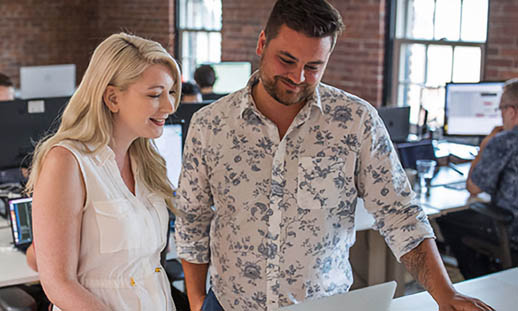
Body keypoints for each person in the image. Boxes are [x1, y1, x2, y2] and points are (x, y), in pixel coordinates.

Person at [174, 0, 493, 310]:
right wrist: (196, 301)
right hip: (230, 304)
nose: (297, 77)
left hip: (325, 305)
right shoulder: (210, 124)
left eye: (313, 66)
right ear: (262, 43)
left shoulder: (356, 122)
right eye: (286, 60)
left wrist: (445, 293)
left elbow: (400, 214)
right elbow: (192, 221)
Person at [25, 32, 182, 310]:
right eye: (155, 94)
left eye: (171, 92)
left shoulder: (146, 159)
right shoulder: (67, 162)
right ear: (112, 98)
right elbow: (58, 282)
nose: (170, 106)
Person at [438, 78, 518, 279]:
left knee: (447, 220)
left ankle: (482, 280)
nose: (500, 116)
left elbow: (473, 187)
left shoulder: (504, 141)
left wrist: (485, 144)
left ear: (511, 111)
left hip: (511, 228)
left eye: (501, 109)